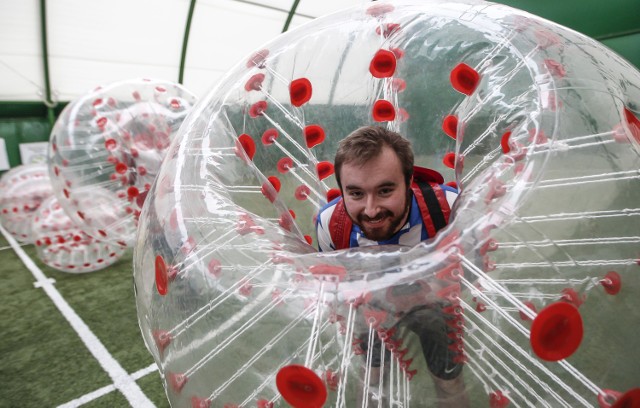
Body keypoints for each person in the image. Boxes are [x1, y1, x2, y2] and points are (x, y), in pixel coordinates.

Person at [315, 125, 469, 407]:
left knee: (448, 381)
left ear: (409, 179)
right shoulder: (330, 223)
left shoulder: (447, 208)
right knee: (372, 378)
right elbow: (334, 283)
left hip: (434, 306)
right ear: (341, 189)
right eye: (356, 194)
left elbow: (472, 269)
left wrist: (438, 284)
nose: (371, 210)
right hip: (370, 309)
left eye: (385, 190)